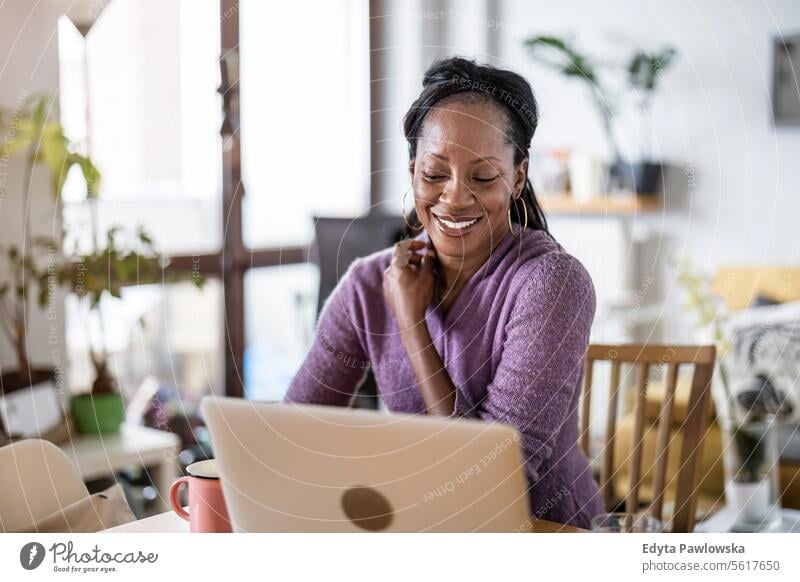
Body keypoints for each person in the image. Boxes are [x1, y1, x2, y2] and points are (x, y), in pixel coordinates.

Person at [285, 56, 603, 528]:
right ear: (414, 172)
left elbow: (494, 482)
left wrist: (413, 324)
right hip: (426, 530)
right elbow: (296, 433)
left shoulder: (551, 284)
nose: (454, 197)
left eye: (483, 176)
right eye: (435, 174)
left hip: (545, 537)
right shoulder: (368, 285)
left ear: (517, 177)